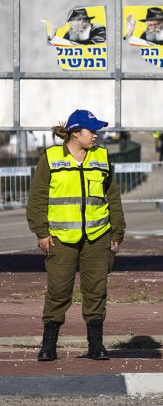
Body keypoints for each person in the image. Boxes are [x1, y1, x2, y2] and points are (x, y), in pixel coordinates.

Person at [26, 109, 125, 362]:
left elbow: (112, 196)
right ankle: (49, 345)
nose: (96, 136)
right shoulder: (50, 158)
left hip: (97, 236)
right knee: (58, 291)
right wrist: (42, 232)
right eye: (92, 131)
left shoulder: (101, 157)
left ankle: (96, 346)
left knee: (96, 291)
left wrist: (117, 231)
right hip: (60, 238)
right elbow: (37, 199)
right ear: (75, 133)